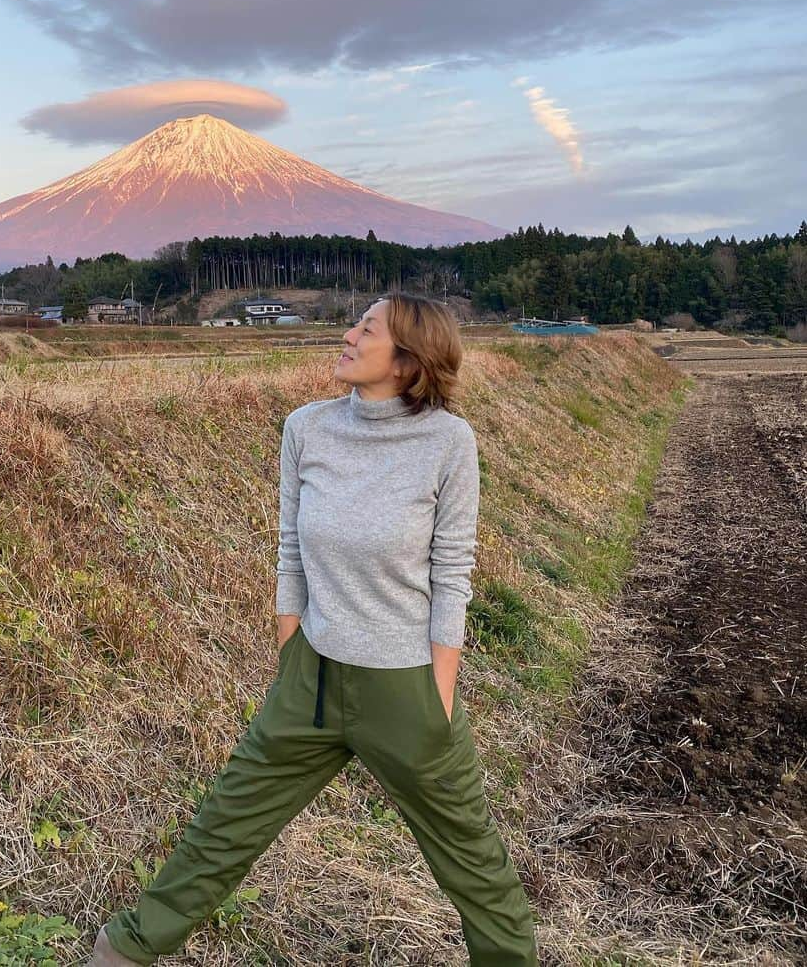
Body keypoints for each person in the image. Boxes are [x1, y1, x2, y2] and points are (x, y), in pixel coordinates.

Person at [91, 293, 539, 965]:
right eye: (356, 321)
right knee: (225, 825)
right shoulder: (308, 428)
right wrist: (290, 644)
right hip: (311, 678)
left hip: (407, 688)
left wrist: (439, 695)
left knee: (472, 862)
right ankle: (123, 950)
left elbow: (453, 572)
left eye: (369, 327)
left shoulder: (449, 442)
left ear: (408, 359)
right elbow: (290, 550)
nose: (350, 333)